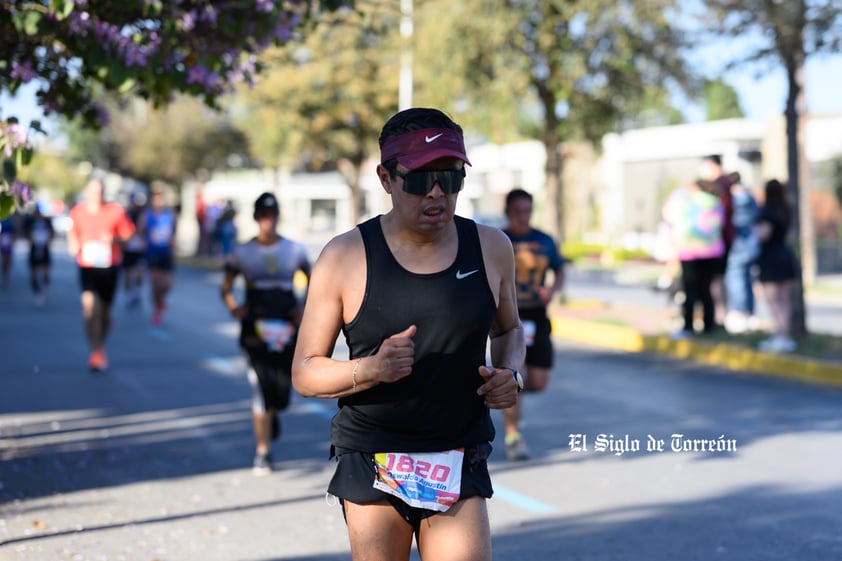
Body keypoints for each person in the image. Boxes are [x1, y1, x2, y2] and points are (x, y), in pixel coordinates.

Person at [291, 107, 525, 561]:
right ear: (386, 178)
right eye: (419, 179)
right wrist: (371, 369)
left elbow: (510, 328)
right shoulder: (344, 257)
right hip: (375, 456)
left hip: (459, 451)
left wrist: (510, 372)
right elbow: (304, 372)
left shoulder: (492, 247)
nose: (437, 192)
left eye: (451, 176)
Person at [220, 192, 311, 475]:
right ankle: (263, 451)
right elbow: (225, 286)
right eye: (262, 217)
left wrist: (302, 306)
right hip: (255, 328)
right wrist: (234, 307)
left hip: (285, 326)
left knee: (282, 391)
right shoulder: (242, 252)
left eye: (271, 217)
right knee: (260, 388)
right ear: (256, 219)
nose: (267, 223)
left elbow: (314, 280)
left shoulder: (294, 251)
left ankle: (273, 412)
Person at [501, 187, 565, 461]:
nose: (522, 217)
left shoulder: (544, 241)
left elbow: (560, 269)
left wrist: (552, 290)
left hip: (537, 316)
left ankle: (507, 398)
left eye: (526, 211)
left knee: (536, 382)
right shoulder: (498, 240)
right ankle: (514, 435)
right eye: (517, 212)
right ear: (508, 213)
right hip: (508, 317)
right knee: (514, 379)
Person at [67, 178, 136, 371]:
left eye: (99, 191)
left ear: (104, 193)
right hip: (87, 267)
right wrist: (73, 243)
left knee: (104, 314)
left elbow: (128, 235)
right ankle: (96, 350)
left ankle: (99, 346)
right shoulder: (78, 211)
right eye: (93, 191)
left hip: (109, 268)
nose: (96, 195)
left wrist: (114, 239)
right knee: (90, 307)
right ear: (87, 192)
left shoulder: (115, 211)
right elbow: (72, 232)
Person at [662, 179, 726, 337]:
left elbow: (668, 215)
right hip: (712, 251)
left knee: (690, 290)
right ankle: (708, 325)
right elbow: (721, 223)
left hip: (689, 251)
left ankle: (688, 326)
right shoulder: (714, 202)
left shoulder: (685, 202)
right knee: (706, 290)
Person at [754, 179, 800, 353]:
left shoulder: (767, 211)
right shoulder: (785, 209)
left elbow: (764, 234)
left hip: (771, 259)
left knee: (773, 300)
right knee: (784, 300)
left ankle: (780, 336)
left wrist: (754, 234)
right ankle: (784, 336)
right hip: (785, 256)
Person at [699, 155, 735, 326]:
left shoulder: (720, 185)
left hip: (718, 241)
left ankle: (720, 315)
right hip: (718, 240)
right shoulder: (724, 184)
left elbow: (721, 216)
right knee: (716, 278)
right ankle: (718, 315)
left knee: (716, 279)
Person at [723, 172, 760, 334]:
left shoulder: (736, 199)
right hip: (750, 245)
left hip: (738, 246)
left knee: (737, 281)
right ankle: (749, 314)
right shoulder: (750, 198)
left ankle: (740, 314)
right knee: (747, 281)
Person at [138, 189, 177, 325]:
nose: (158, 202)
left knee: (167, 285)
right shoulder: (146, 215)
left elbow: (173, 232)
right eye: (156, 199)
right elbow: (141, 232)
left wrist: (173, 242)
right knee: (155, 284)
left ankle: (161, 300)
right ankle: (157, 310)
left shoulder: (170, 215)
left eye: (160, 199)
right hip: (152, 253)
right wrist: (143, 242)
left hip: (166, 253)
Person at [23, 204, 55, 306]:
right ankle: (36, 291)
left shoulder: (47, 221)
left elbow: (52, 233)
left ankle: (45, 287)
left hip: (44, 249)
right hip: (34, 249)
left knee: (46, 270)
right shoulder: (30, 221)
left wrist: (49, 240)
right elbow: (24, 233)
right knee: (33, 272)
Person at [122, 191, 147, 309]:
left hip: (138, 249)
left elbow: (144, 230)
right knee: (127, 272)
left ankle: (136, 292)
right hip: (128, 248)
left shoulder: (142, 214)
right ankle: (128, 294)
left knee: (139, 271)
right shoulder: (125, 215)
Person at [0, 212, 19, 289]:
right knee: (5, 259)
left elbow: (15, 226)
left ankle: (6, 275)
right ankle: (5, 275)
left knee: (8, 259)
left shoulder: (11, 214)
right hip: (2, 237)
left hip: (8, 238)